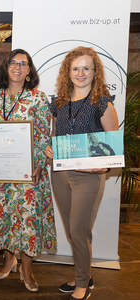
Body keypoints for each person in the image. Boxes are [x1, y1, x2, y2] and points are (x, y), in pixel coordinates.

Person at [0, 49, 57, 293]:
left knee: (27, 221)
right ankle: (9, 259)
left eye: (24, 63)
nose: (18, 67)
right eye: (13, 62)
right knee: (4, 217)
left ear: (29, 70)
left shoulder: (39, 98)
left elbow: (45, 134)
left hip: (28, 174)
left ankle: (27, 269)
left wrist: (39, 164)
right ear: (5, 67)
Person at [46, 46, 119, 300]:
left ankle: (83, 284)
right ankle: (83, 275)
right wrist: (49, 149)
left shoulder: (102, 103)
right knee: (73, 230)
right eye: (75, 68)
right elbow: (56, 136)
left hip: (88, 176)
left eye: (86, 68)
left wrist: (104, 166)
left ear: (95, 71)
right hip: (60, 174)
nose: (81, 73)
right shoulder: (59, 103)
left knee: (78, 231)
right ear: (68, 71)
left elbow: (112, 145)